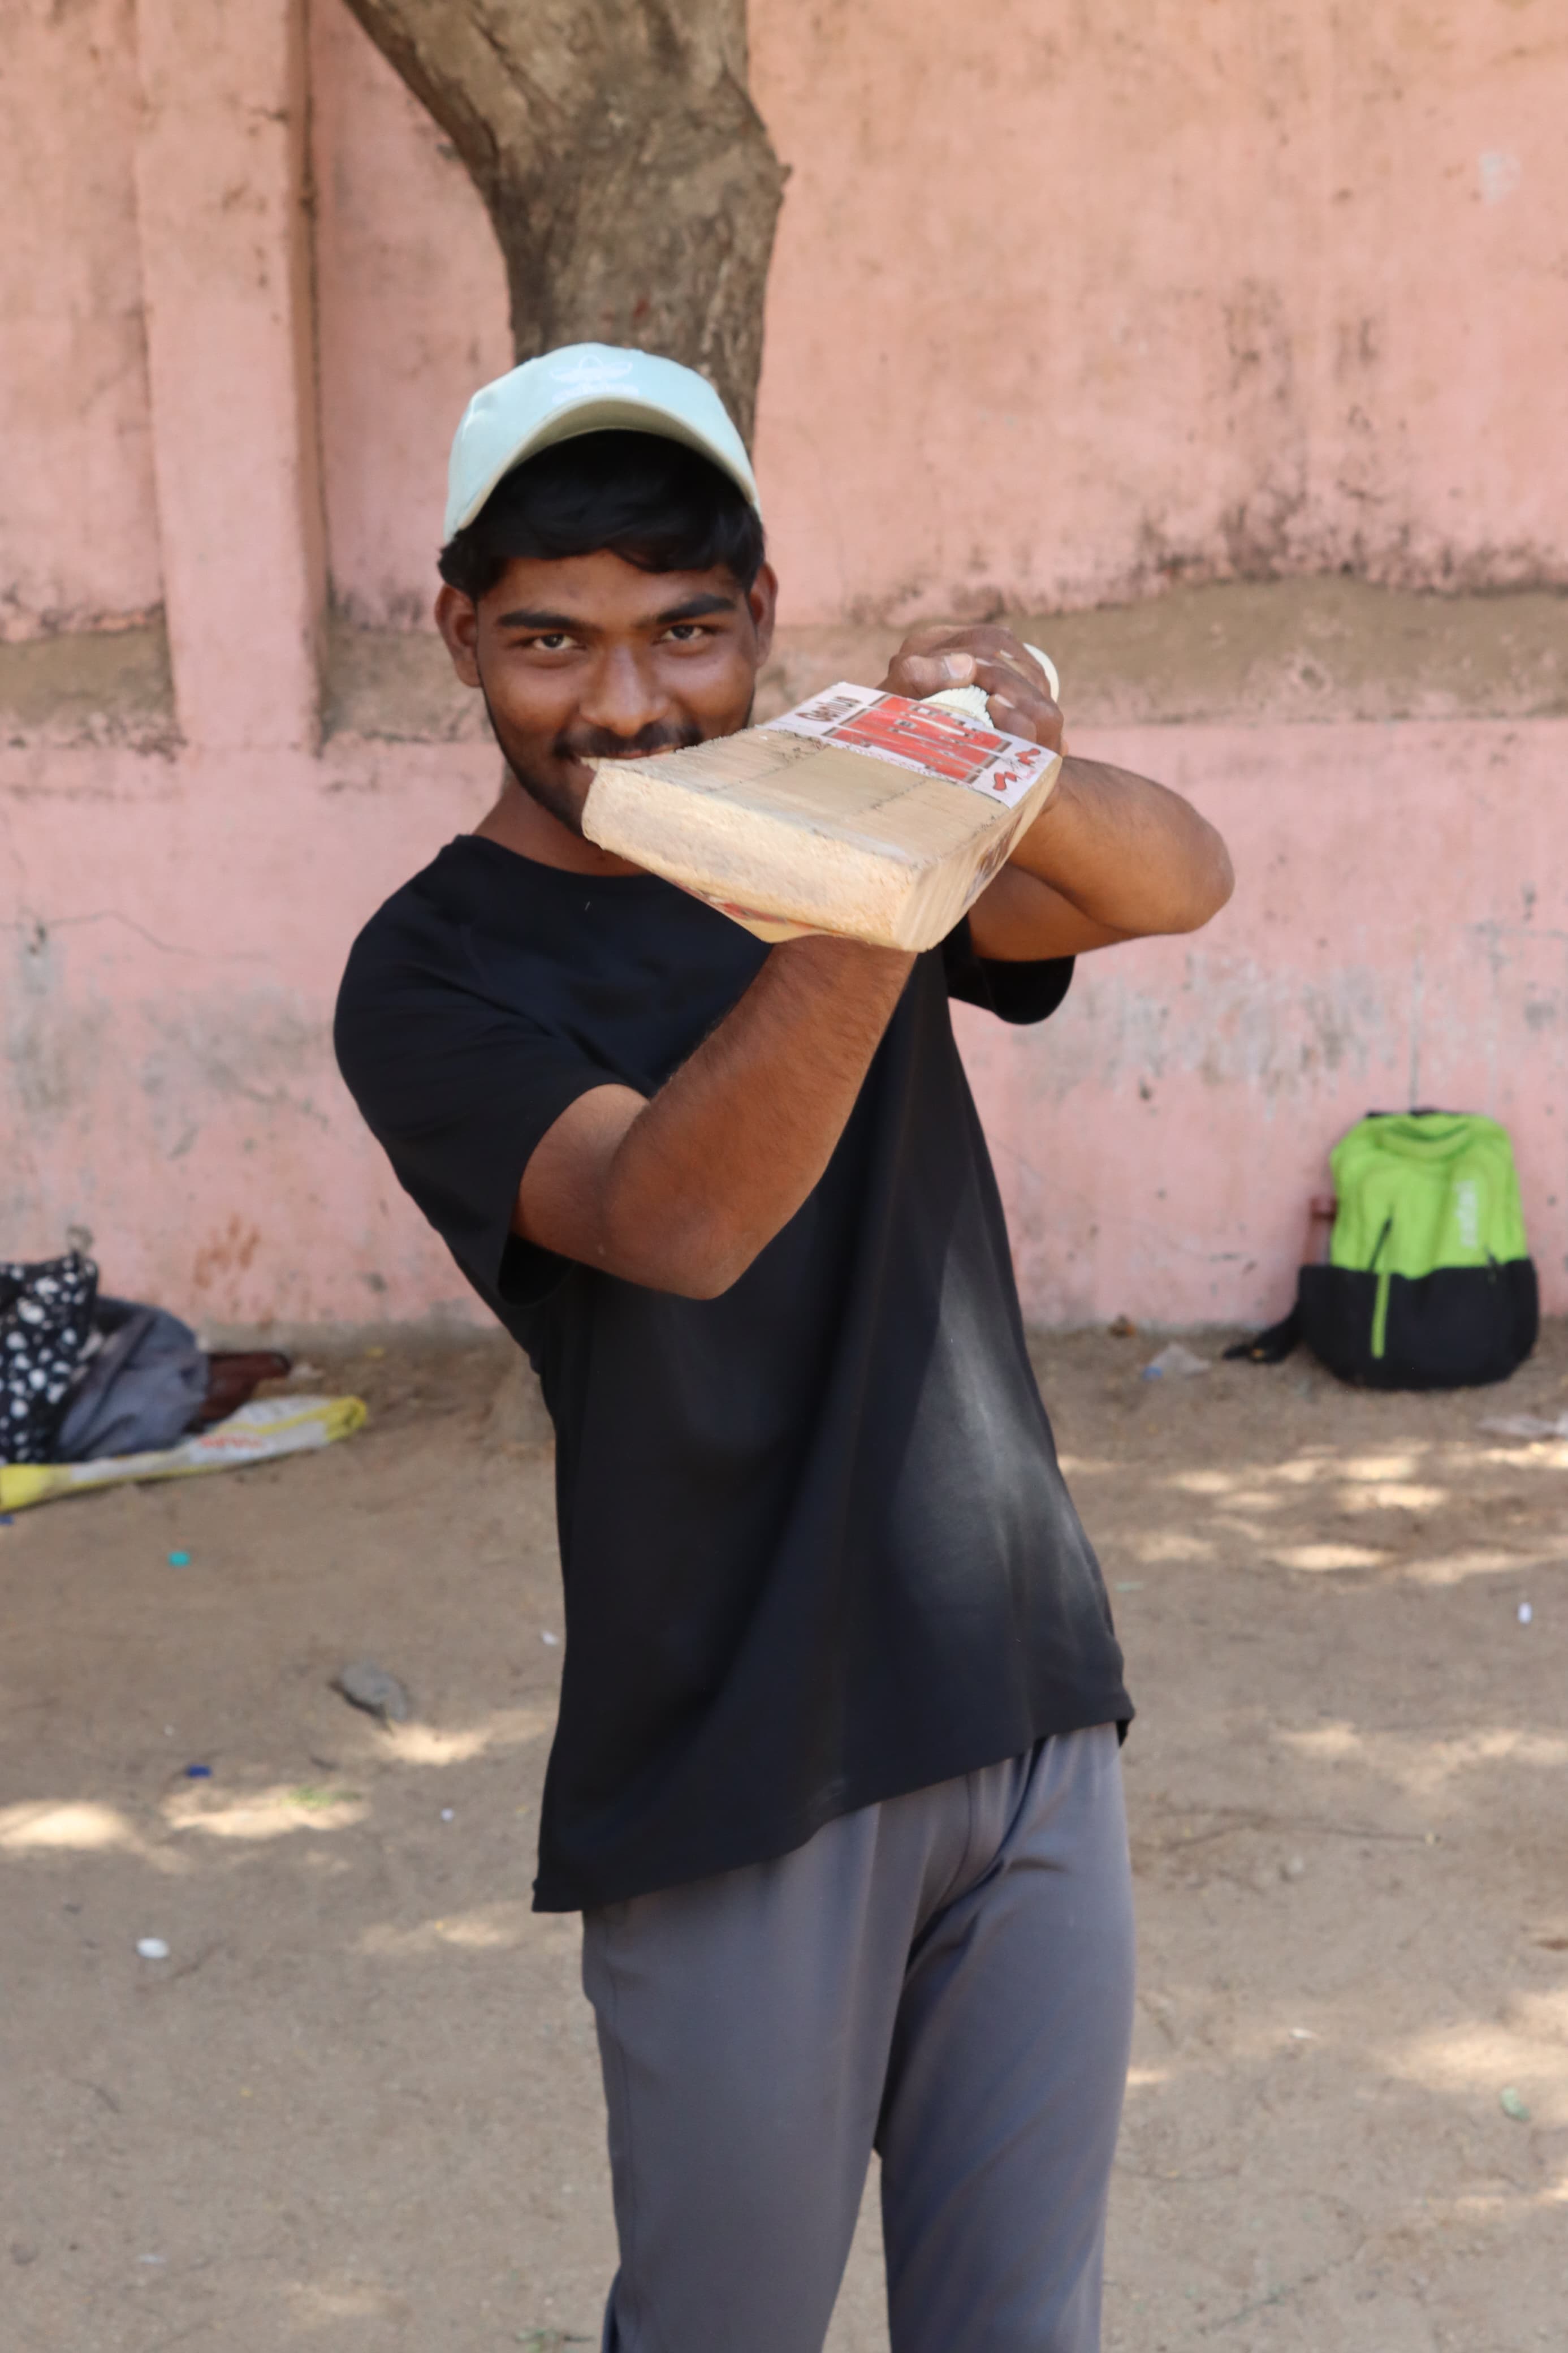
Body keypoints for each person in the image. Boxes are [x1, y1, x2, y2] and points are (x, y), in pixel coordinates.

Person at [334, 343, 1234, 2353]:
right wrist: (874, 858)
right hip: (739, 1758)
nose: (630, 701)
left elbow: (1182, 879)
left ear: (761, 611)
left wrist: (998, 763)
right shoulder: (430, 972)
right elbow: (679, 1218)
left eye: (689, 632)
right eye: (553, 639)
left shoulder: (860, 822)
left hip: (1020, 1696)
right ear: (459, 629)